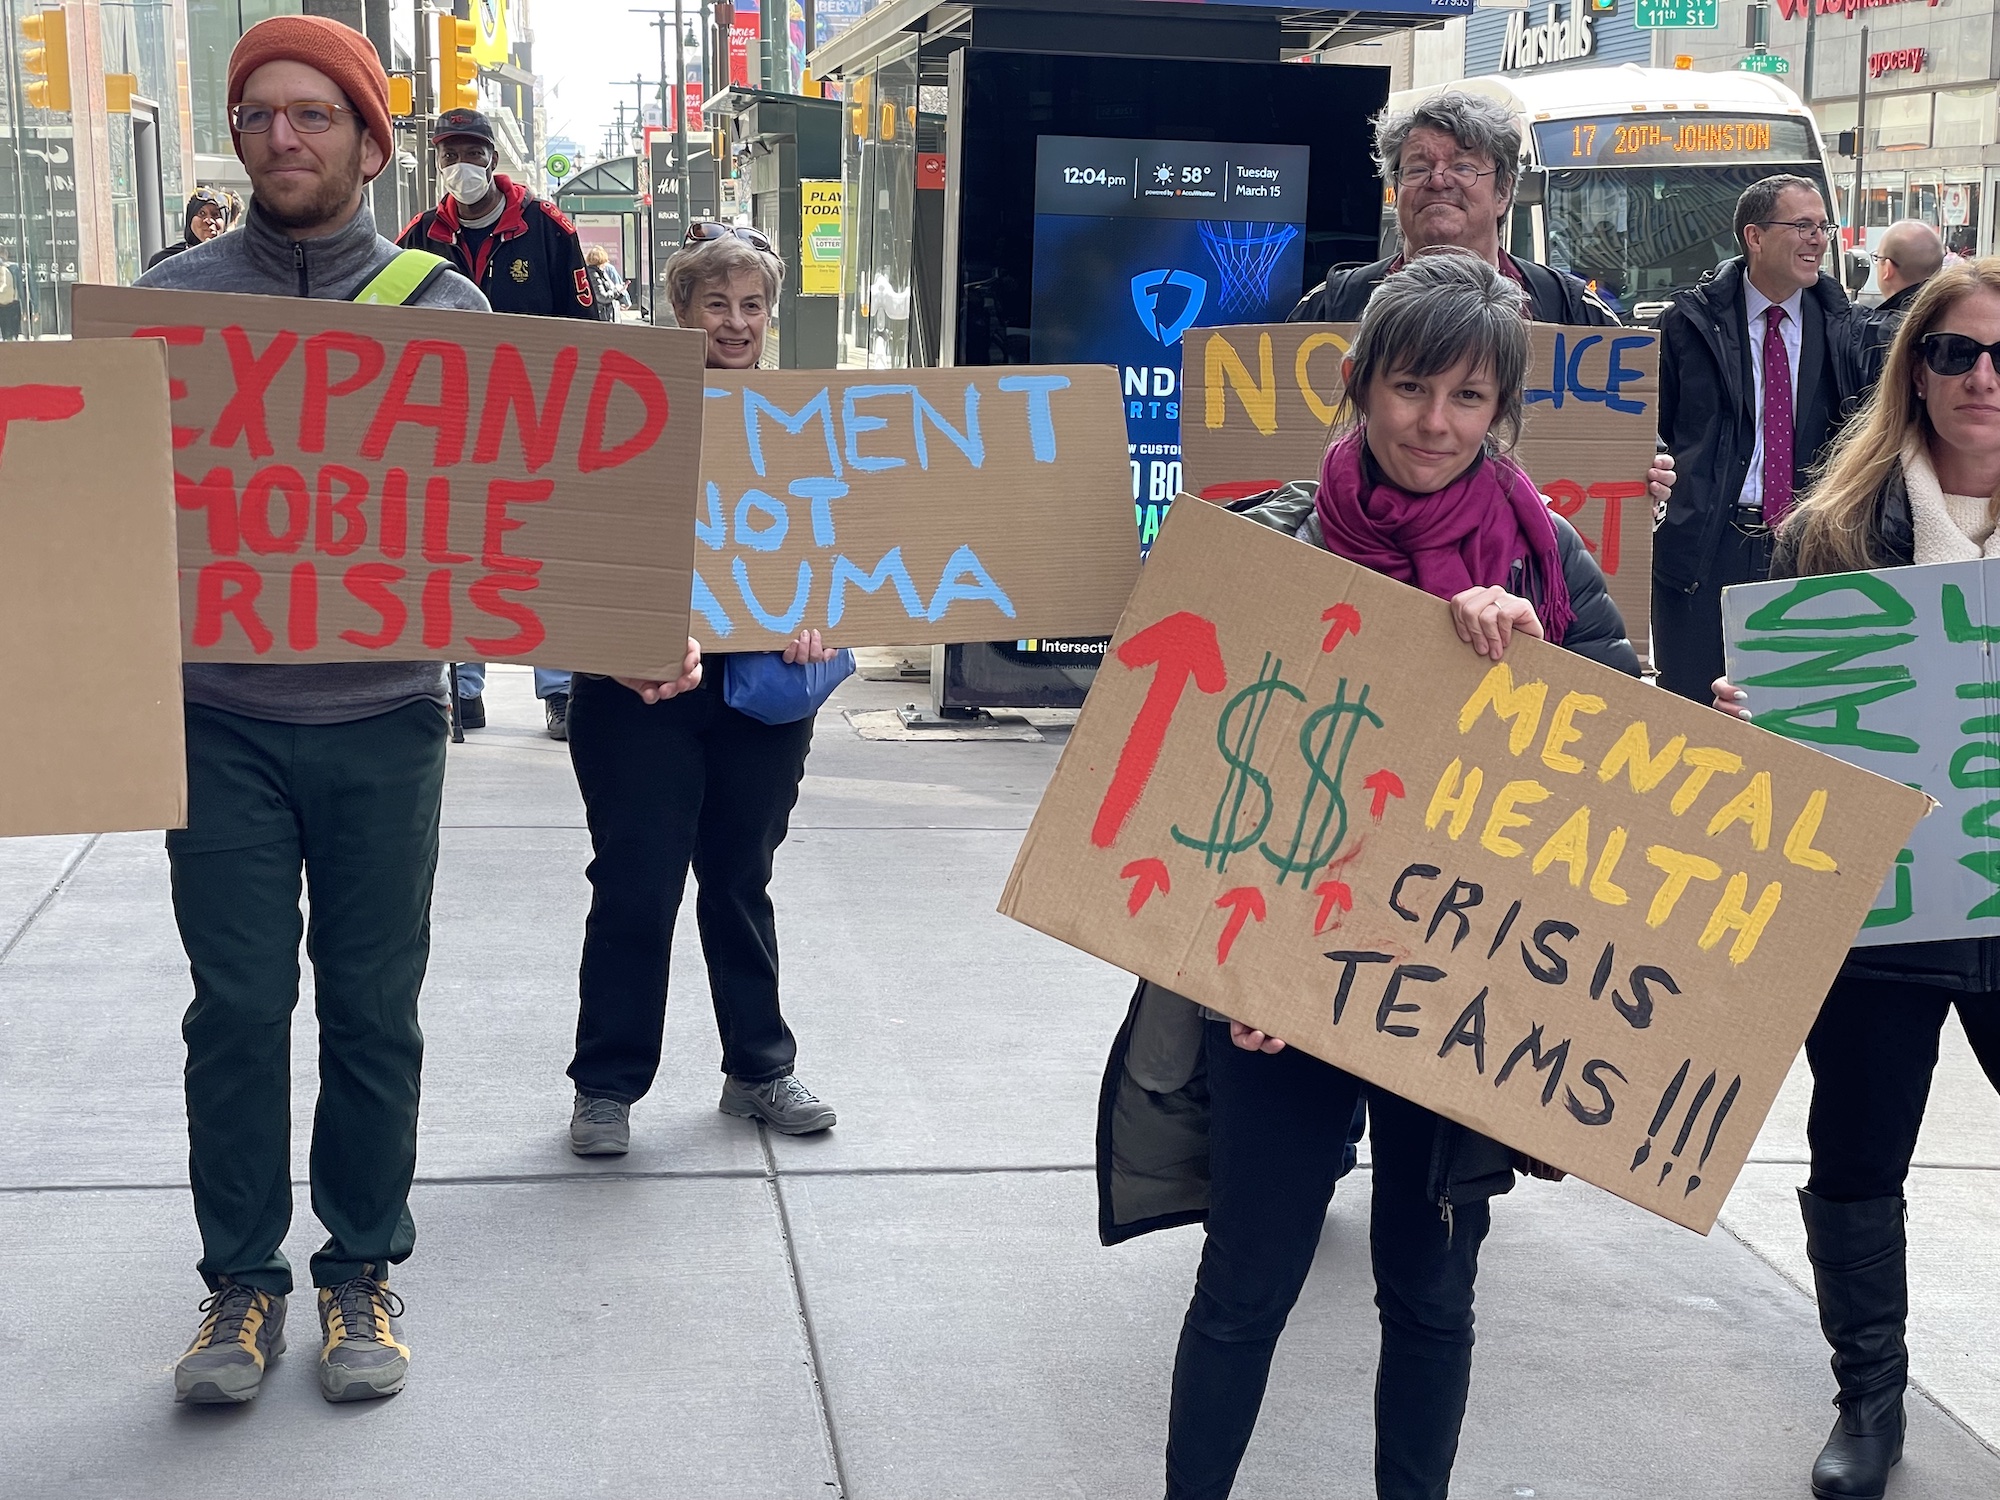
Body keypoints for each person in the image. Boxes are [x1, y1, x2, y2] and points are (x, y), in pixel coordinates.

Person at [139, 13, 705, 1410]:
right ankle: (239, 1286)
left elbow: (516, 524)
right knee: (236, 1010)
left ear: (368, 139)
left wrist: (623, 628)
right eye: (261, 114)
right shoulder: (174, 305)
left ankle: (359, 1270)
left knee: (374, 1012)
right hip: (215, 720)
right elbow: (104, 520)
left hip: (387, 721)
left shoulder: (444, 309)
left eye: (313, 115)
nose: (283, 137)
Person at [1105, 252, 1639, 1500]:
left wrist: (1534, 665)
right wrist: (1222, 956)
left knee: (1431, 1283)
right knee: (1244, 1285)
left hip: (1453, 992)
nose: (1434, 424)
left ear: (1500, 411)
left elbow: (1618, 775)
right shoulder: (1268, 542)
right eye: (1410, 389)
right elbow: (1179, 770)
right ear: (1354, 388)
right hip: (1272, 996)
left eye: (1467, 399)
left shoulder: (1545, 561)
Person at [1711, 262, 2000, 1500]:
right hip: (1878, 913)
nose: (1982, 378)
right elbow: (1780, 737)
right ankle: (1868, 1402)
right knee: (1856, 1155)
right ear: (1912, 368)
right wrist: (1748, 714)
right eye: (1955, 353)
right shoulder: (1828, 531)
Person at [564, 222, 841, 1157]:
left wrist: (818, 616)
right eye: (716, 303)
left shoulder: (808, 423)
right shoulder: (622, 410)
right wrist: (609, 650)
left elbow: (845, 551)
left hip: (761, 687)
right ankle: (605, 1086)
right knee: (636, 884)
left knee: (738, 879)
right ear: (680, 310)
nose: (736, 322)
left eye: (752, 305)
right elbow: (572, 545)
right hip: (637, 686)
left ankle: (758, 1069)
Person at [400, 107, 595, 737]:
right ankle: (465, 688)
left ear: (491, 157)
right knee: (462, 552)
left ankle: (559, 689)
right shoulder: (420, 237)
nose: (460, 166)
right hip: (449, 423)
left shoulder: (545, 230)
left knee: (538, 551)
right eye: (447, 154)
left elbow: (587, 325)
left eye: (470, 152)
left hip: (538, 419)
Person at [1652, 174, 1872, 704]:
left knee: (1792, 706)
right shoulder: (1688, 324)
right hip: (1708, 543)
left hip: (1808, 544)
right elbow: (1656, 429)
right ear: (1754, 236)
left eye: (1823, 226)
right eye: (1801, 225)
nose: (1817, 239)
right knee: (1692, 701)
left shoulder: (1847, 329)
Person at [1290, 91, 1616, 326]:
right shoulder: (1329, 309)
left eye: (1463, 168)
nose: (1438, 181)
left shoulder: (1578, 316)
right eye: (1418, 168)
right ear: (1396, 188)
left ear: (1503, 190)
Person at [145, 186, 230, 270]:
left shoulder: (234, 260)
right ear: (190, 218)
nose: (209, 220)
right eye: (202, 213)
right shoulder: (163, 262)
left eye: (216, 214)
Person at [585, 243, 628, 321]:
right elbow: (602, 297)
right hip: (603, 315)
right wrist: (617, 290)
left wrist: (620, 293)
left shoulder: (600, 272)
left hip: (607, 314)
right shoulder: (594, 274)